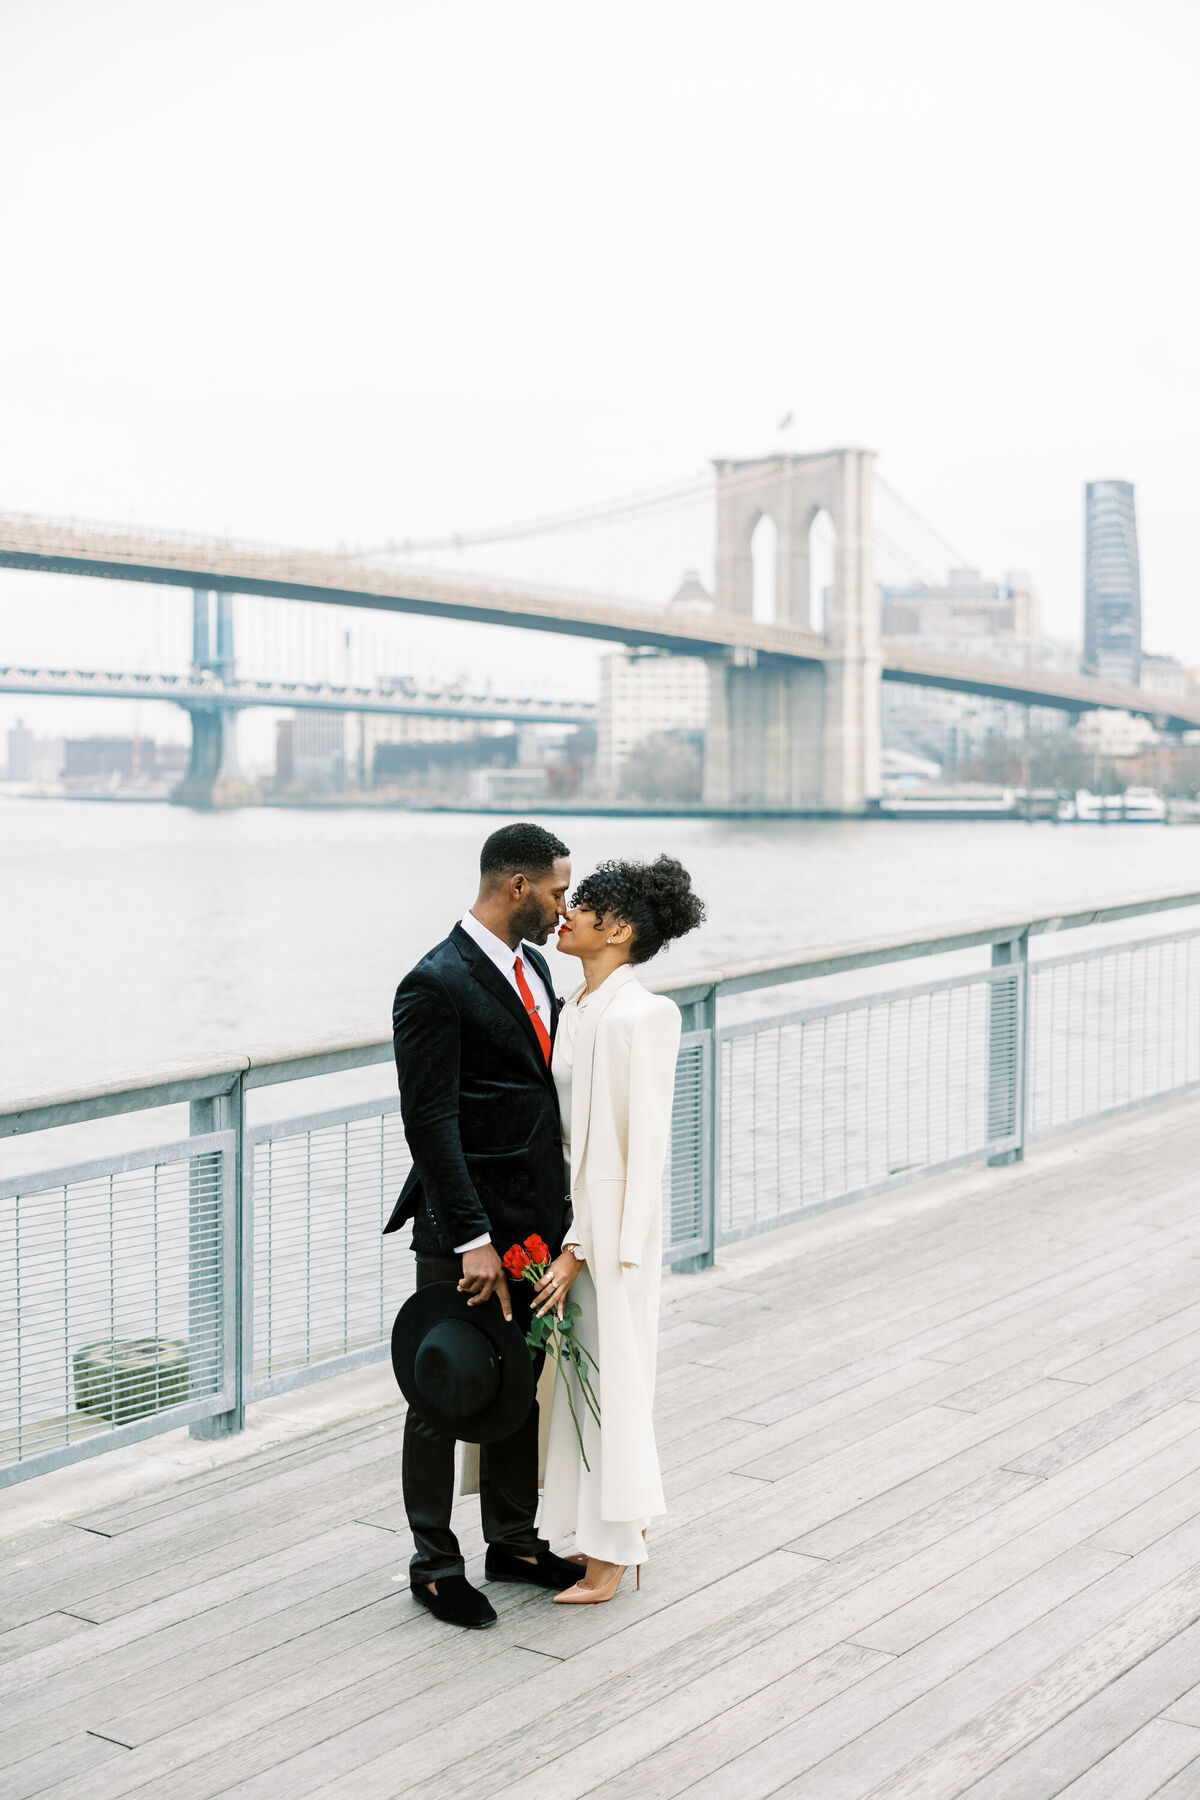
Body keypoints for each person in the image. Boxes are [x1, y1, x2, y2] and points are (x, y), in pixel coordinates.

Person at [385, 821, 584, 1629]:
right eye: (558, 891)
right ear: (516, 888)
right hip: (463, 1232)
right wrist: (471, 1239)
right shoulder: (433, 983)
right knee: (446, 1385)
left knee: (517, 1386)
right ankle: (434, 1563)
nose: (563, 907)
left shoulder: (534, 965)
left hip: (534, 1222)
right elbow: (429, 1124)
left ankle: (513, 1538)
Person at [534, 855, 706, 1603]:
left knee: (618, 1384)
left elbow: (640, 1151)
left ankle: (618, 1551)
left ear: (621, 929)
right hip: (569, 1221)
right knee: (575, 1386)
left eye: (587, 906)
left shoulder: (645, 1013)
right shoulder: (575, 1005)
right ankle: (589, 1537)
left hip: (611, 1235)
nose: (565, 911)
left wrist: (585, 1246)